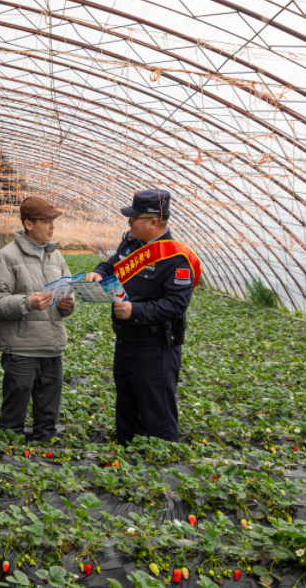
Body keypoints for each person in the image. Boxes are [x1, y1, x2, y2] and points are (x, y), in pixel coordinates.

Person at [84, 189, 201, 444]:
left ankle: (164, 463)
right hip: (126, 341)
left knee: (157, 412)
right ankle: (128, 457)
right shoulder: (130, 244)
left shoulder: (176, 258)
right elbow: (111, 264)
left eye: (134, 217)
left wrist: (135, 311)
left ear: (153, 222)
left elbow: (176, 304)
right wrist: (99, 272)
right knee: (127, 408)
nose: (129, 222)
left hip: (155, 348)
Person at [0, 196, 75, 443]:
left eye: (53, 221)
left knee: (48, 419)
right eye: (45, 221)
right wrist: (27, 303)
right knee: (13, 418)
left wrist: (67, 304)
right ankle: (7, 457)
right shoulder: (6, 257)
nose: (52, 226)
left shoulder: (56, 257)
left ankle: (44, 457)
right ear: (28, 224)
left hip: (52, 348)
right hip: (21, 350)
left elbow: (68, 295)